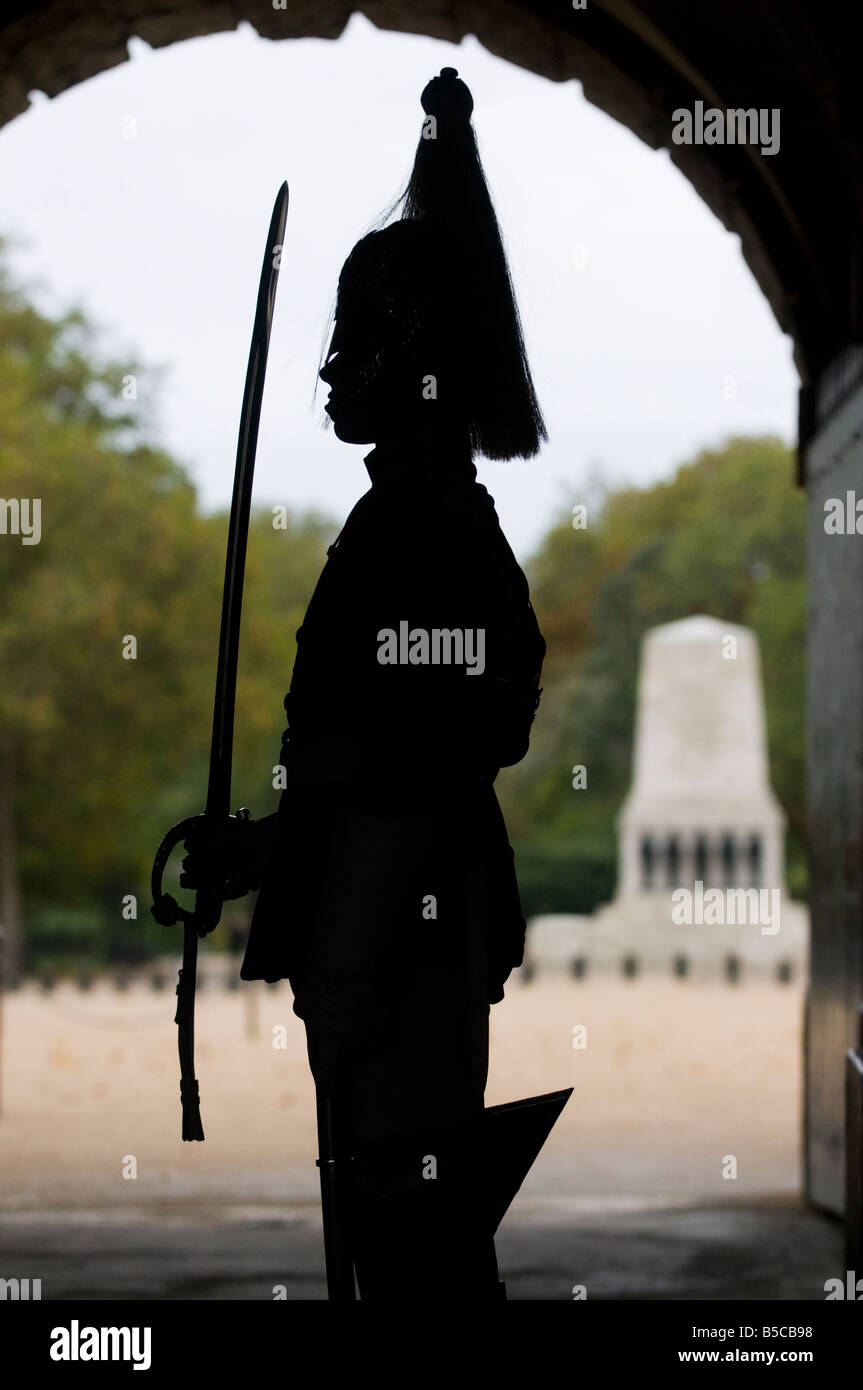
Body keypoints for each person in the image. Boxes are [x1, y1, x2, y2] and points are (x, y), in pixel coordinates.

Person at [182, 67, 547, 1301]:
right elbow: (377, 758)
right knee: (398, 1253)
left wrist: (341, 948)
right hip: (388, 919)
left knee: (413, 1266)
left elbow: (429, 762)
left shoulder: (422, 528)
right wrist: (265, 849)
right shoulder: (403, 517)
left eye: (359, 340)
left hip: (396, 932)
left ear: (418, 354)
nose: (334, 370)